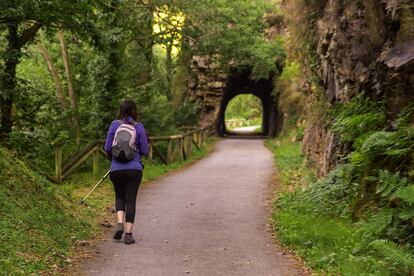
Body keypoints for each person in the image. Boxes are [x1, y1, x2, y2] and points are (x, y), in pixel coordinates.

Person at [104, 100, 149, 244]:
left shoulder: (114, 125)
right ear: (134, 111)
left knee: (119, 196)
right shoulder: (139, 126)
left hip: (116, 169)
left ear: (120, 111)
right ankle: (128, 234)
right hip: (134, 169)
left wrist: (115, 158)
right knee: (131, 200)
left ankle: (119, 223)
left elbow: (107, 148)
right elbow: (145, 150)